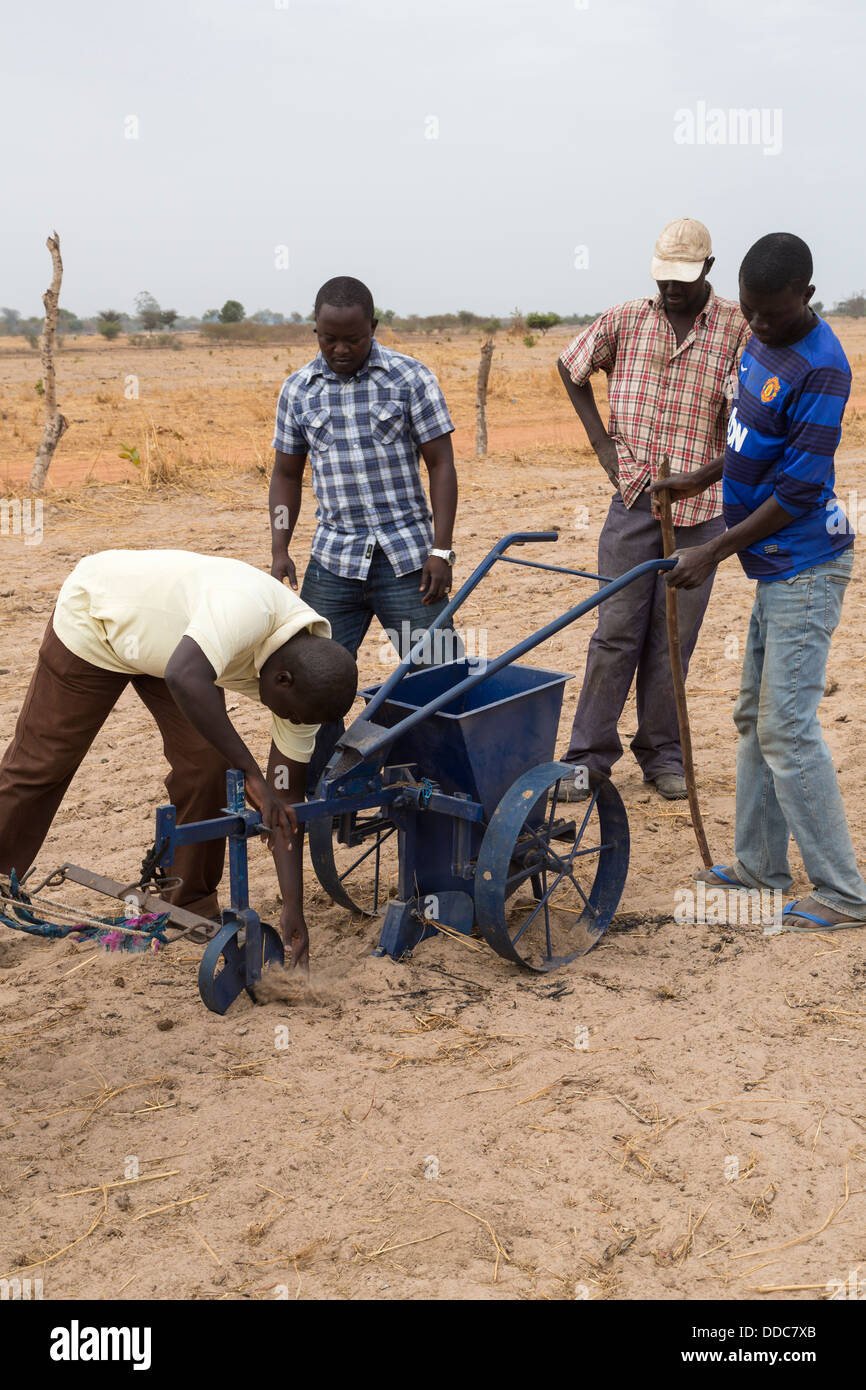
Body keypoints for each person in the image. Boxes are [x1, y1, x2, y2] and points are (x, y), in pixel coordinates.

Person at [652, 233, 866, 932]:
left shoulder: (825, 367)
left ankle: (843, 892)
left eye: (772, 314)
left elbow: (800, 489)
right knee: (754, 718)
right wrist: (698, 478)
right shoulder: (760, 340)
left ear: (806, 295)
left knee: (786, 729)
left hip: (807, 565)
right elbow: (749, 435)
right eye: (750, 313)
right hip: (772, 567)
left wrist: (712, 550)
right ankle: (758, 867)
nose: (760, 325)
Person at [0, 550, 358, 965]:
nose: (292, 723)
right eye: (290, 714)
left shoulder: (309, 688)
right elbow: (184, 676)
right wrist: (250, 772)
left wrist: (292, 908)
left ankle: (188, 902)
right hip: (99, 622)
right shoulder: (245, 608)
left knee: (208, 768)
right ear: (282, 680)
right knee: (41, 766)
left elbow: (286, 805)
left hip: (175, 650)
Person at [558, 218, 750, 800]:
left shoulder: (739, 329)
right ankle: (588, 756)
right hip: (633, 502)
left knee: (673, 640)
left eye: (684, 279)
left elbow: (750, 429)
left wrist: (703, 475)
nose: (672, 288)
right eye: (664, 277)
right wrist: (602, 447)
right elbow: (571, 368)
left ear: (708, 271)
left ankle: (662, 754)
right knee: (615, 632)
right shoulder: (626, 319)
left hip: (703, 513)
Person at [269, 275, 460, 792]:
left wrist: (441, 549)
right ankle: (321, 796)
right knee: (310, 681)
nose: (340, 349)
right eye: (328, 339)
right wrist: (280, 547)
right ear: (315, 332)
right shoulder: (299, 390)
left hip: (409, 561)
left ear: (373, 328)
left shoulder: (409, 378)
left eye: (352, 338)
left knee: (439, 677)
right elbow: (287, 474)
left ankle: (452, 784)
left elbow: (440, 463)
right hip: (334, 561)